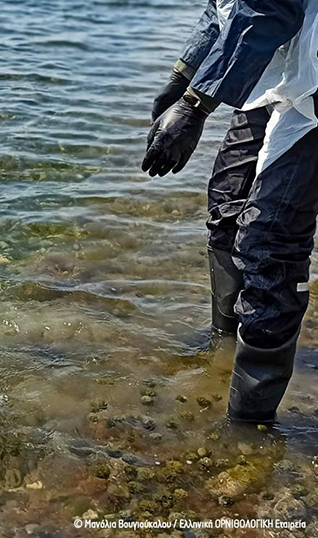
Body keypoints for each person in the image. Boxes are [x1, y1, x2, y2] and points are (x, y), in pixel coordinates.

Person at [143, 0, 318, 423]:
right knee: (226, 206)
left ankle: (249, 428)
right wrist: (181, 77)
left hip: (312, 76)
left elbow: (270, 9)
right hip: (274, 71)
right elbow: (220, 10)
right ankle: (223, 350)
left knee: (270, 242)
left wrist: (195, 105)